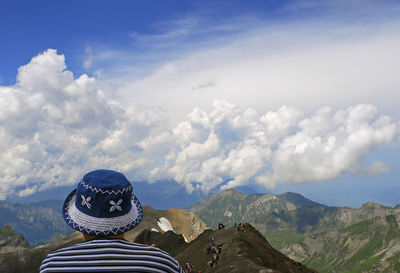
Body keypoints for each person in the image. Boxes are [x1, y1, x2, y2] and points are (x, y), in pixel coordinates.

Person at [40, 169, 184, 273]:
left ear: (81, 223)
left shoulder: (52, 265)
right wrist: (150, 260)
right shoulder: (163, 264)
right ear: (127, 222)